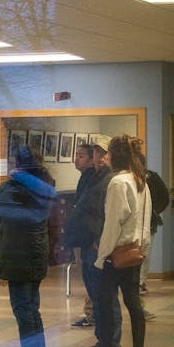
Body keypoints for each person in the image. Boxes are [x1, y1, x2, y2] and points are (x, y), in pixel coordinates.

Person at [81, 134, 150, 347]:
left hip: (115, 254)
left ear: (115, 155)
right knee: (133, 304)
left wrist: (102, 255)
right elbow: (144, 222)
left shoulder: (118, 183)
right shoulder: (140, 180)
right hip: (134, 252)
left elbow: (112, 223)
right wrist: (142, 248)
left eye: (108, 153)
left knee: (106, 304)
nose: (105, 157)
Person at [0, 144, 57, 347]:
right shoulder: (45, 184)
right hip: (35, 253)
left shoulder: (17, 186)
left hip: (20, 255)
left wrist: (12, 180)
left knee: (23, 310)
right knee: (31, 309)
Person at [63, 142, 110, 331]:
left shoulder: (97, 179)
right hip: (83, 237)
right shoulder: (87, 178)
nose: (76, 159)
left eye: (81, 156)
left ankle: (95, 320)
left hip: (90, 239)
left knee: (96, 284)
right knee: (89, 280)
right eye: (76, 155)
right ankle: (93, 318)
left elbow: (93, 212)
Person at [131, 137, 170, 297]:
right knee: (133, 252)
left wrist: (154, 211)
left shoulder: (152, 178)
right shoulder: (128, 179)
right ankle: (134, 281)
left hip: (150, 221)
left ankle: (140, 282)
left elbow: (164, 197)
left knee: (145, 252)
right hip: (133, 222)